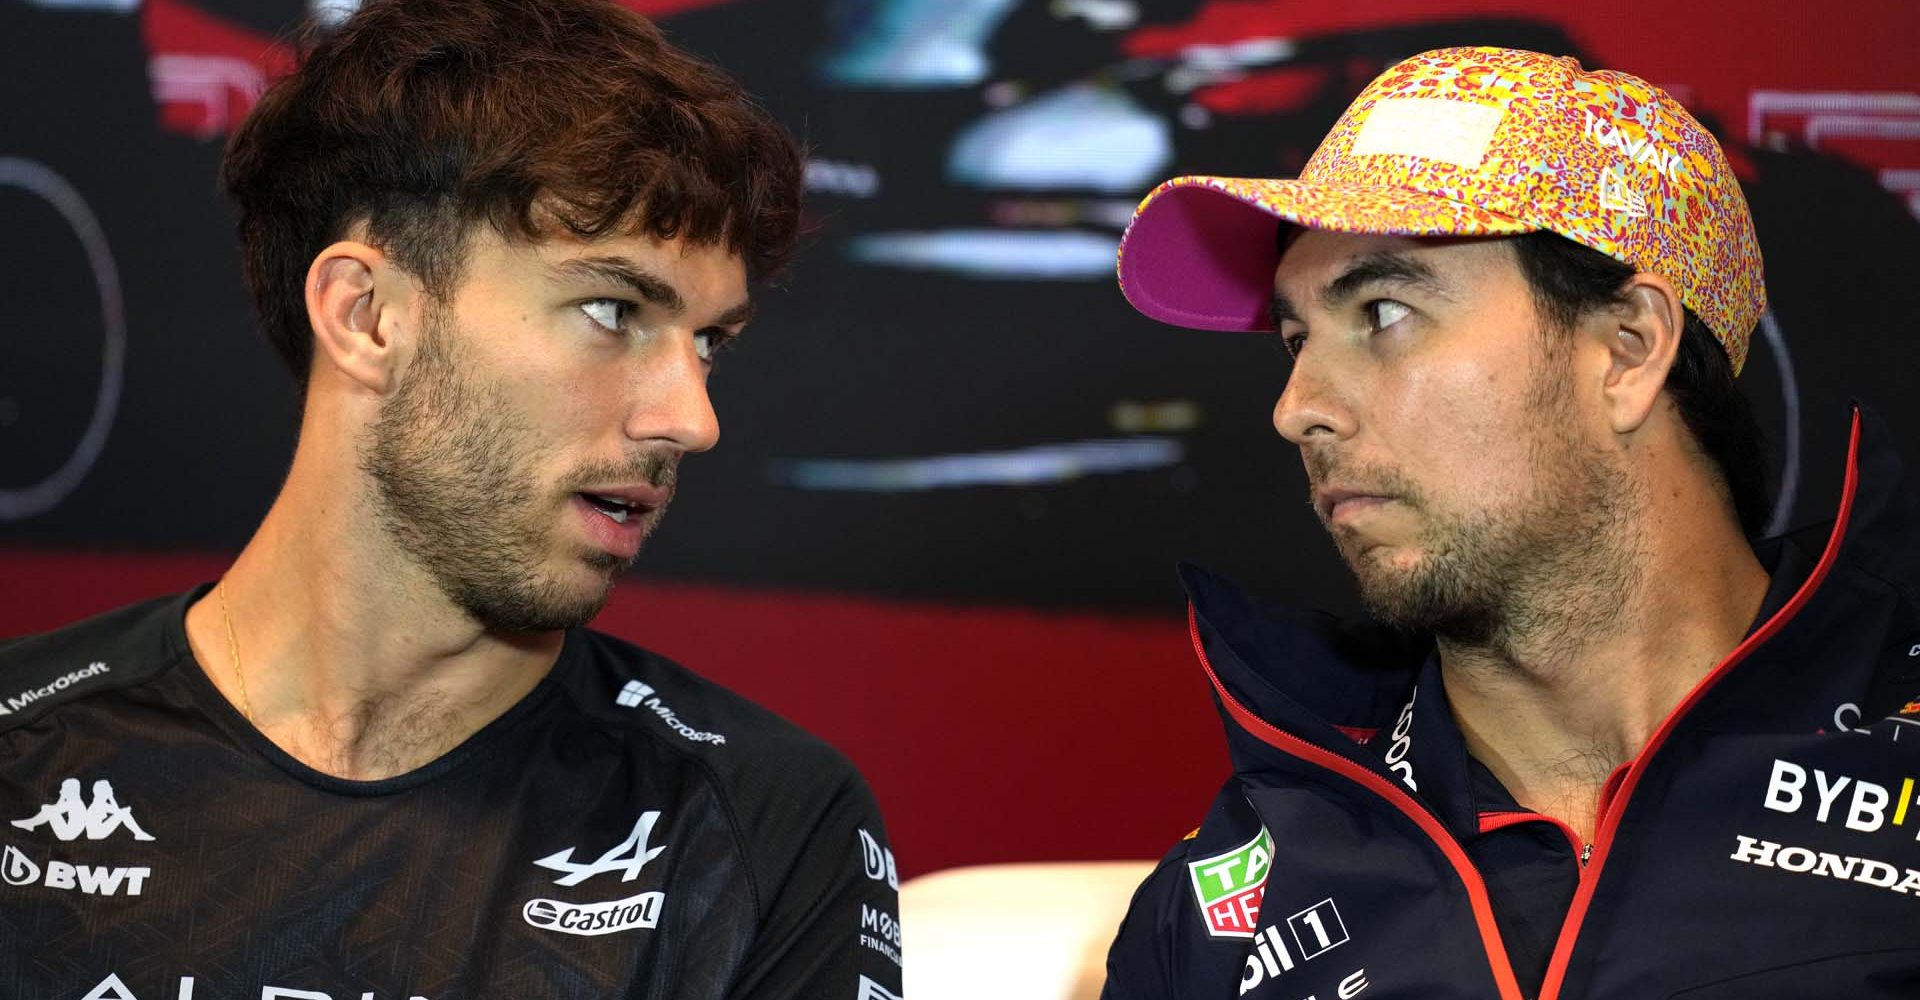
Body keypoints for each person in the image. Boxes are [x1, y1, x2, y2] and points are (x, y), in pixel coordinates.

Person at [0, 2, 903, 998]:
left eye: (709, 343)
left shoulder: (757, 824)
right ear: (368, 315)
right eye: (614, 311)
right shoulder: (22, 755)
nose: (691, 419)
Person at [1101, 46, 1920, 1000]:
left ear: (1627, 350)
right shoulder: (1220, 915)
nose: (1297, 409)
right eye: (1296, 341)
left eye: (1383, 310)